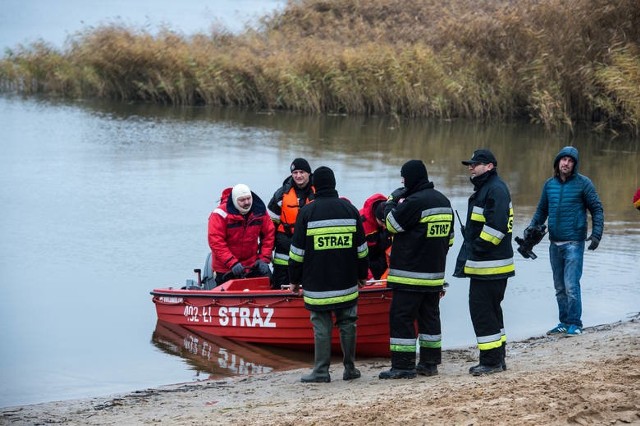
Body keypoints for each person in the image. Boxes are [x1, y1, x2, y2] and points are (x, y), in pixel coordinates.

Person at [288, 166, 369, 383]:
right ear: (334, 184)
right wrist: (363, 275)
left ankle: (321, 371)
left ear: (316, 185)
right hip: (346, 281)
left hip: (317, 284)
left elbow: (297, 254)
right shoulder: (350, 210)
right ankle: (350, 369)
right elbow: (362, 249)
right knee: (348, 323)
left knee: (321, 326)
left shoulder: (306, 212)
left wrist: (294, 281)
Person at [378, 160, 454, 380]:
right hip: (434, 276)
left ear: (410, 177)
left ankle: (403, 366)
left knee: (401, 318)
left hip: (409, 276)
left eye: (403, 178)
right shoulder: (444, 201)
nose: (402, 181)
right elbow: (449, 239)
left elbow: (391, 224)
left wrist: (391, 202)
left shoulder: (415, 202)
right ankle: (429, 364)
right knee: (429, 319)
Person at [528, 146, 604, 336]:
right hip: (555, 243)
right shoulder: (549, 185)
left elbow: (597, 209)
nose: (566, 163)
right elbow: (541, 211)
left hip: (574, 242)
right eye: (563, 159)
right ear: (557, 161)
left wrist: (596, 235)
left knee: (571, 285)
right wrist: (531, 229)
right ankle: (563, 322)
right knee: (559, 287)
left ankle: (575, 324)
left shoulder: (583, 184)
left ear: (574, 165)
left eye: (570, 161)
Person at [454, 149, 514, 376]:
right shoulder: (489, 188)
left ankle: (490, 361)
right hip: (491, 265)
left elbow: (495, 229)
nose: (471, 167)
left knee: (482, 312)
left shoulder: (494, 189)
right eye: (470, 164)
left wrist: (475, 247)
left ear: (489, 166)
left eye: (475, 164)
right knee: (491, 311)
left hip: (489, 266)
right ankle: (498, 357)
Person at [208, 184, 275, 286]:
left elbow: (268, 235)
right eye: (242, 200)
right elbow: (216, 242)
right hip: (226, 268)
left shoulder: (259, 211)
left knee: (269, 284)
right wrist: (232, 262)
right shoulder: (219, 214)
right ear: (234, 200)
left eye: (248, 198)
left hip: (252, 264)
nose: (247, 202)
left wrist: (264, 259)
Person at [268, 158, 315, 289]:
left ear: (309, 173)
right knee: (280, 283)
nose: (298, 176)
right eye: (295, 173)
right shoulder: (280, 195)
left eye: (302, 172)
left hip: (310, 245)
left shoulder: (318, 193)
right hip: (285, 245)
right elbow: (269, 227)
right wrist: (267, 252)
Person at [359, 193, 392, 280]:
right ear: (376, 217)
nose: (385, 226)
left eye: (387, 224)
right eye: (382, 223)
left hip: (383, 257)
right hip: (369, 260)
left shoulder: (390, 210)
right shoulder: (361, 223)